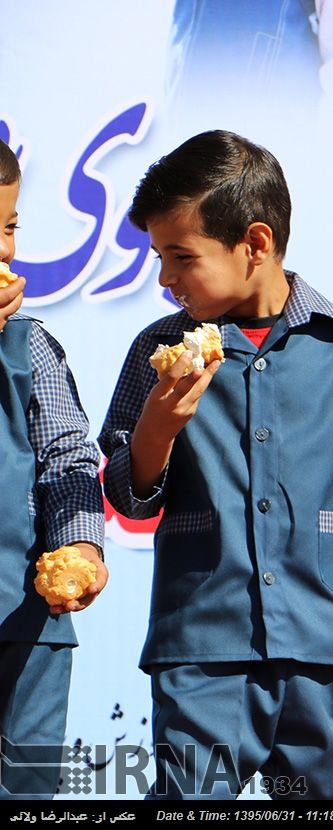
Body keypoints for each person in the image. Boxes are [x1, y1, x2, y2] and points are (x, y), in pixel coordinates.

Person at [99, 130, 333, 799]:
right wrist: (156, 432)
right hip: (202, 648)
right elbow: (128, 492)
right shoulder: (159, 349)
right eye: (159, 258)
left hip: (328, 651)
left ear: (254, 244)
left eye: (182, 256)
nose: (166, 278)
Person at [0, 138, 107, 799]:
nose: (4, 249)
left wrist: (81, 545)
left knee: (29, 792)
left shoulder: (30, 344)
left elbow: (68, 456)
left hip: (29, 626)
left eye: (8, 226)